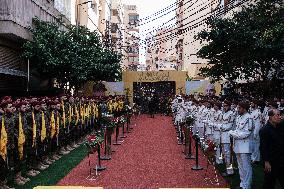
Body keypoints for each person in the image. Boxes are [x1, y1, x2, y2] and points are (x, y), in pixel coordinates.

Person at [229, 101, 253, 189]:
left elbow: (245, 134)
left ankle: (247, 186)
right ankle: (242, 184)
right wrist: (233, 132)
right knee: (240, 166)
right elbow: (237, 130)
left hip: (245, 146)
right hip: (238, 145)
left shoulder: (249, 118)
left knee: (246, 167)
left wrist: (232, 133)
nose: (237, 109)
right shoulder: (239, 117)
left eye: (239, 108)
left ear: (244, 108)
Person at [259, 108, 284, 189]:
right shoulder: (264, 130)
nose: (280, 117)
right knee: (269, 183)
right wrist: (266, 162)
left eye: (280, 115)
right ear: (270, 117)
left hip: (281, 159)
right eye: (278, 115)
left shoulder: (279, 127)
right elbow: (263, 147)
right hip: (271, 162)